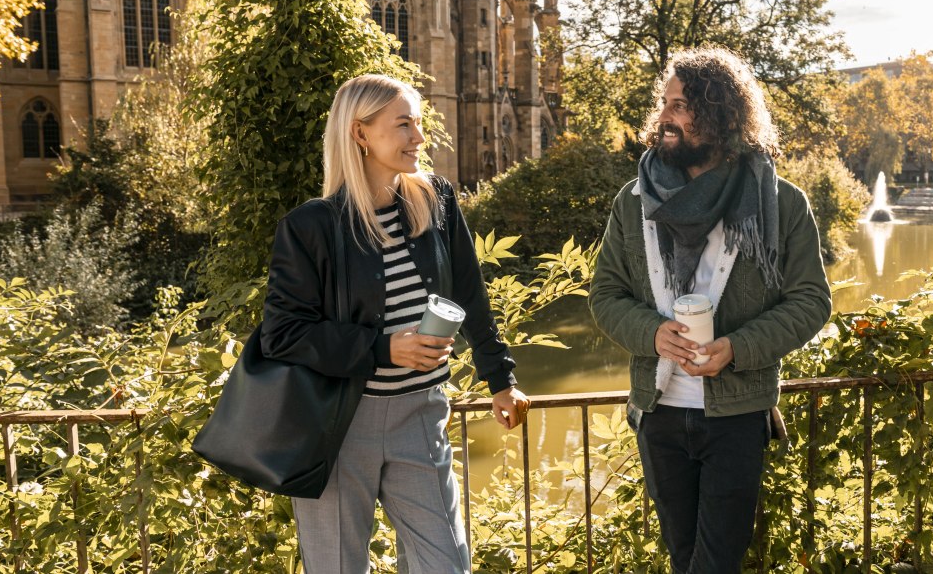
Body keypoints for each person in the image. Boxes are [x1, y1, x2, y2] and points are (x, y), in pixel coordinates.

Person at [260, 74, 530, 573]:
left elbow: (469, 293)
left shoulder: (439, 200)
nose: (419, 138)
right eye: (403, 124)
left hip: (421, 415)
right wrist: (384, 349)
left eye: (419, 123)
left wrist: (501, 379)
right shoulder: (310, 227)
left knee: (446, 565)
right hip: (338, 425)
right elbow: (283, 334)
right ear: (360, 134)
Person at [588, 48, 832, 573]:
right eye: (665, 104)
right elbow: (605, 296)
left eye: (681, 105)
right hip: (660, 412)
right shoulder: (634, 201)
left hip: (737, 413)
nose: (665, 117)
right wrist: (652, 334)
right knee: (683, 558)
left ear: (720, 114)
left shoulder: (781, 202)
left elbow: (811, 300)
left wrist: (737, 348)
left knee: (717, 562)